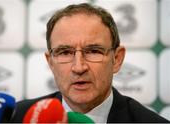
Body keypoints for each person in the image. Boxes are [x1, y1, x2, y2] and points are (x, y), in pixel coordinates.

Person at [11, 3, 169, 123]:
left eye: (93, 51)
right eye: (65, 52)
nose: (79, 67)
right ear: (51, 62)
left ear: (117, 59)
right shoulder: (15, 118)